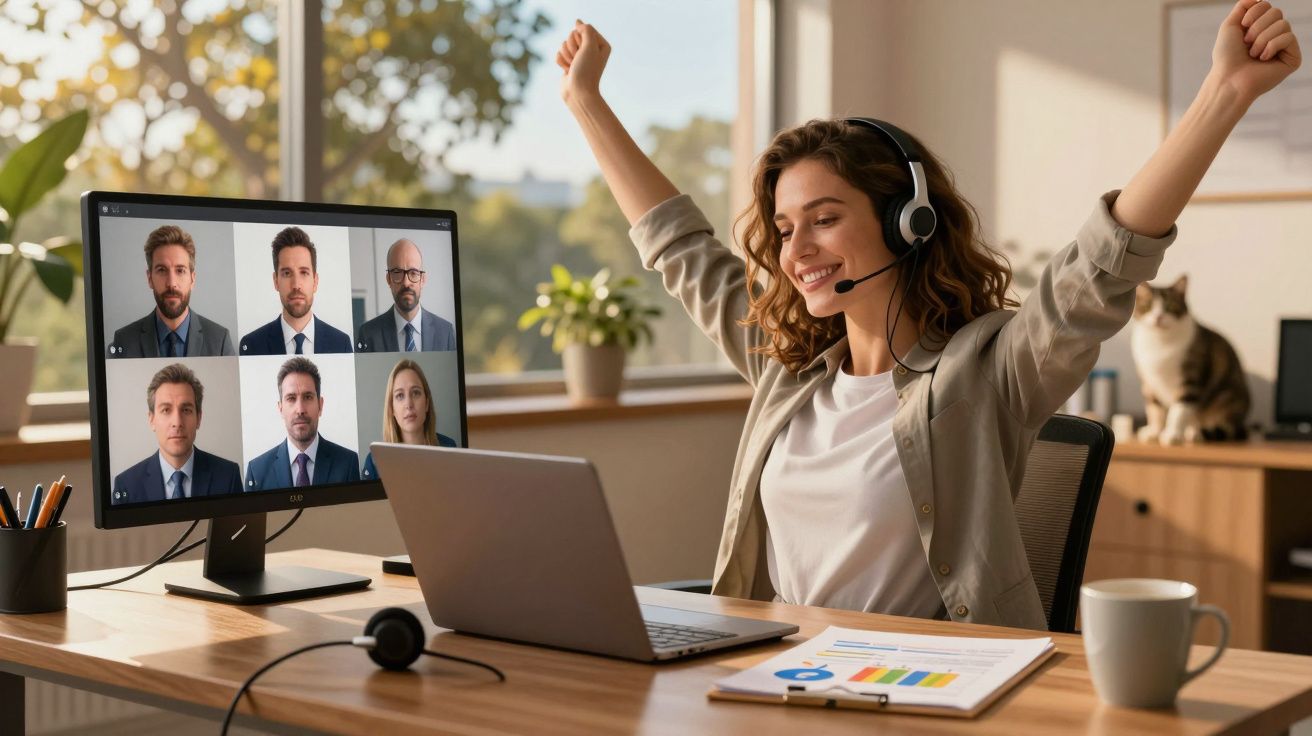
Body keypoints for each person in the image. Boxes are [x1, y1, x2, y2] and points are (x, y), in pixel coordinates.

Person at [555, 2, 1299, 628]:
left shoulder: (988, 372)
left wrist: (1225, 93)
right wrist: (585, 102)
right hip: (773, 681)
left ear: (908, 221)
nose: (797, 250)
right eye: (784, 229)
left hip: (920, 694)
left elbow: (1100, 267)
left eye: (824, 218)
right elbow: (680, 248)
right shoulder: (784, 371)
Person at [112, 363, 242, 504]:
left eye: (186, 410)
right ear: (152, 419)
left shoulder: (229, 476)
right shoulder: (126, 485)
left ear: (199, 418)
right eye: (166, 410)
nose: (177, 422)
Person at [109, 225, 236, 358]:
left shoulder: (220, 341)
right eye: (162, 270)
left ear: (192, 279)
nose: (171, 283)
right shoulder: (123, 342)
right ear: (150, 278)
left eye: (180, 270)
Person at [245, 357, 360, 490]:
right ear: (280, 408)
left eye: (308, 397)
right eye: (291, 398)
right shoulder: (257, 471)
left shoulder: (347, 464)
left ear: (320, 405)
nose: (300, 410)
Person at [239, 226, 353, 355]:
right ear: (276, 281)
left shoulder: (341, 344)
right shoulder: (252, 345)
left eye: (304, 272)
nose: (296, 285)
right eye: (287, 273)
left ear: (315, 281)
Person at [354, 238, 457, 352]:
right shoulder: (368, 334)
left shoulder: (445, 332)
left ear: (422, 279)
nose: (406, 283)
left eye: (413, 273)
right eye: (398, 273)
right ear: (389, 279)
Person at [361, 358, 457, 480]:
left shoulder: (449, 448)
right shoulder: (374, 462)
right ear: (392, 409)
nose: (409, 404)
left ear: (427, 403)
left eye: (416, 393)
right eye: (400, 395)